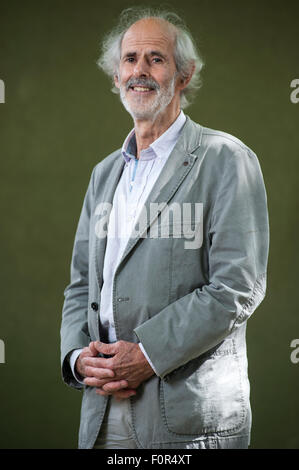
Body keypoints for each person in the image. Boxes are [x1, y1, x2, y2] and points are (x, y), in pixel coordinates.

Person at [60, 7, 269, 449]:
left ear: (184, 74)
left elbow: (237, 286)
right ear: (115, 76)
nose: (140, 70)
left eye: (156, 58)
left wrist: (147, 356)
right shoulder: (104, 175)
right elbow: (81, 286)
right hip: (102, 413)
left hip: (188, 420)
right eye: (130, 59)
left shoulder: (227, 160)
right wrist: (79, 358)